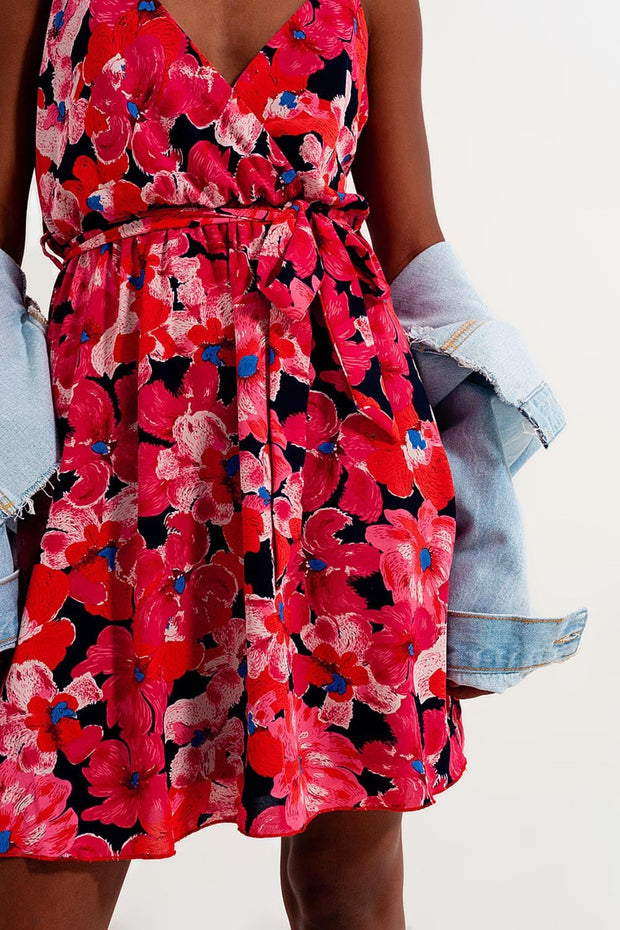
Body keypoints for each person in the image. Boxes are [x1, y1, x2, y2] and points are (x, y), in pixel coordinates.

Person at [0, 1, 532, 928]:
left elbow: (415, 252)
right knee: (45, 848)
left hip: (346, 478)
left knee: (351, 894)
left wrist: (487, 545)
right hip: (106, 490)